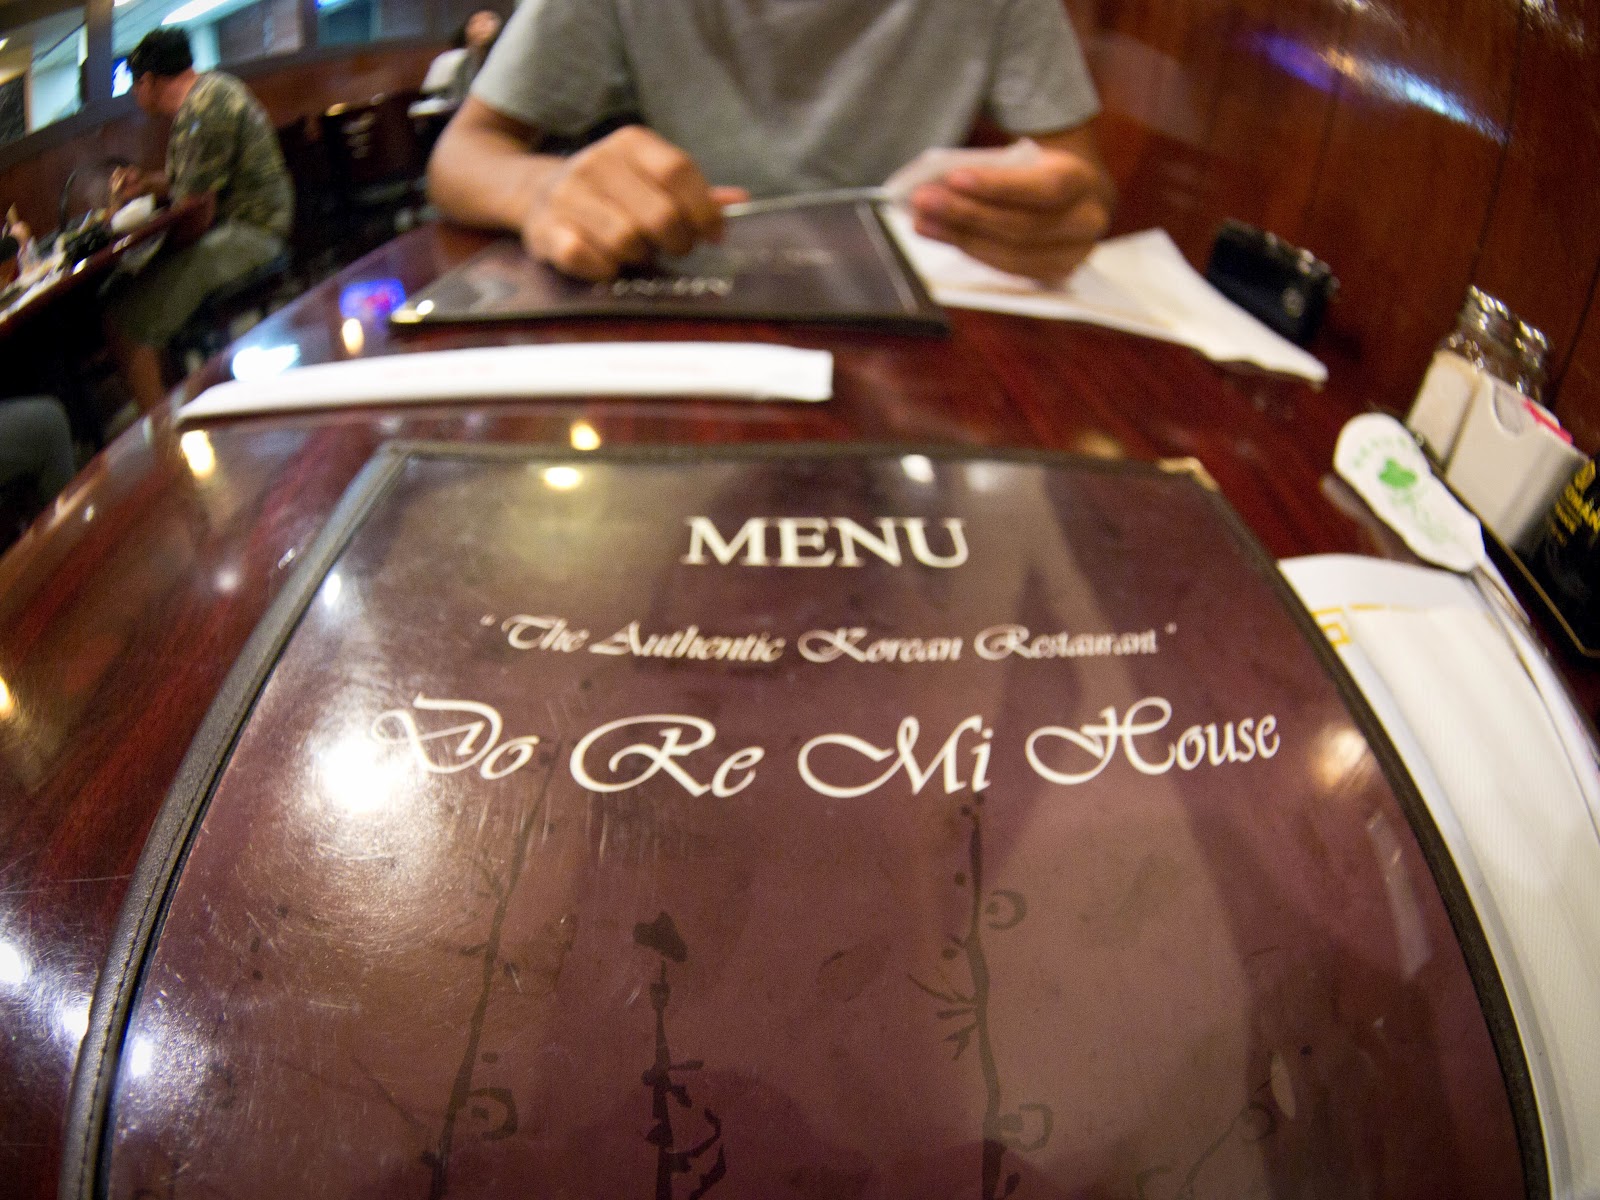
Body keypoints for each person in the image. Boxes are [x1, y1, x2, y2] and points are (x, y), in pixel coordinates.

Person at [427, 0, 1115, 285]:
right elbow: (461, 156)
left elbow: (1079, 176)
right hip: (681, 299)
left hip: (916, 323)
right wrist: (544, 189)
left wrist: (1067, 214)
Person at [104, 29, 293, 414]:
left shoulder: (201, 110)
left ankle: (163, 434)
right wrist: (147, 184)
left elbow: (196, 215)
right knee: (143, 288)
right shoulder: (211, 91)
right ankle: (184, 401)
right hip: (258, 223)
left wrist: (151, 260)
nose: (135, 96)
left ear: (148, 81)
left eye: (135, 86)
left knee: (123, 319)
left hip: (252, 232)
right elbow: (193, 183)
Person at [420, 9, 503, 108]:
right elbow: (457, 100)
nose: (482, 25)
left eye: (489, 19)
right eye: (475, 22)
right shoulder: (459, 63)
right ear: (466, 31)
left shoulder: (506, 60)